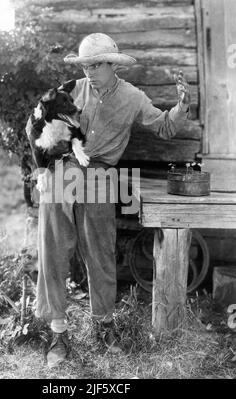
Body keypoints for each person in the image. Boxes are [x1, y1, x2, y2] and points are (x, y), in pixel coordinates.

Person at [32, 32, 190, 367]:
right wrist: (41, 170)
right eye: (85, 64)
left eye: (97, 64)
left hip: (101, 177)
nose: (89, 70)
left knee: (101, 252)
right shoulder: (70, 90)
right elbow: (33, 126)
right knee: (54, 250)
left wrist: (181, 107)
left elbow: (163, 127)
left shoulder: (132, 97)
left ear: (112, 65)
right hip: (61, 172)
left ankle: (103, 326)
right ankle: (58, 333)